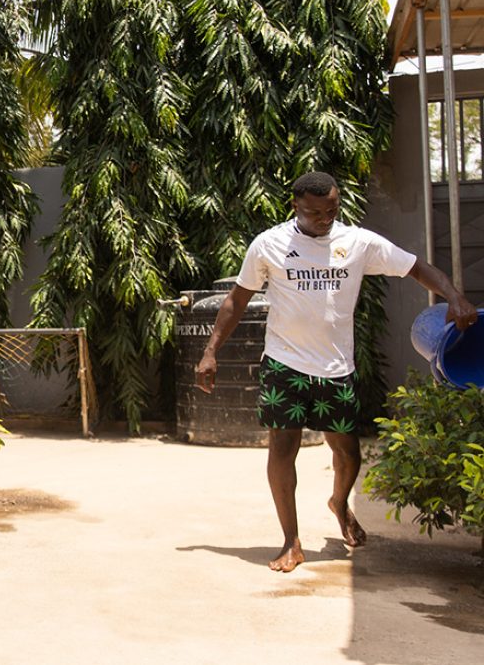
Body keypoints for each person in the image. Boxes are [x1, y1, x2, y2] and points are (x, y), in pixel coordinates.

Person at [196, 171, 478, 573]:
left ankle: (340, 503)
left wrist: (454, 296)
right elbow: (236, 300)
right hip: (284, 363)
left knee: (347, 451)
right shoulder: (269, 244)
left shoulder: (357, 242)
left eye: (332, 210)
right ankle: (291, 540)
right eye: (315, 212)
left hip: (336, 367)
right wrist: (210, 352)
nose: (325, 218)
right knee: (282, 447)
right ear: (295, 206)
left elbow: (416, 267)